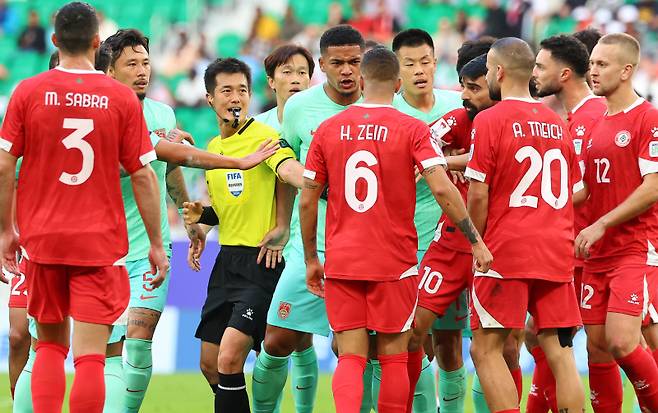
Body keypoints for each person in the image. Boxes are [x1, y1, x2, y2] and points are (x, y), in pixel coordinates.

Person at [300, 46, 492, 413]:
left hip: (343, 260)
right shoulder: (412, 129)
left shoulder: (328, 129)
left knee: (351, 359)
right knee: (393, 358)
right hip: (396, 263)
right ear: (398, 82)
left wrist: (312, 257)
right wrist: (475, 239)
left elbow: (308, 200)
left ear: (360, 80)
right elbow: (442, 188)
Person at [0, 3, 168, 412]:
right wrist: (157, 242)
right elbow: (144, 175)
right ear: (98, 44)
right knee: (95, 354)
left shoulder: (28, 91)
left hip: (45, 241)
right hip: (100, 244)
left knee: (48, 349)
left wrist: (6, 230)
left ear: (55, 41)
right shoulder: (121, 99)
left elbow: (5, 163)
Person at [101, 28, 278, 413]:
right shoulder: (103, 111)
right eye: (131, 64)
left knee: (139, 338)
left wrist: (192, 218)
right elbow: (166, 152)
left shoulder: (164, 113)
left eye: (146, 62)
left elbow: (170, 167)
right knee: (112, 352)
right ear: (110, 71)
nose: (143, 71)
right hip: (101, 250)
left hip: (153, 248)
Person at [250, 25, 365, 413]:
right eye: (338, 62)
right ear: (323, 65)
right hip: (311, 244)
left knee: (364, 348)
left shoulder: (386, 103)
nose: (347, 70)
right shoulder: (300, 108)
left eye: (355, 61)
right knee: (277, 339)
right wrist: (285, 222)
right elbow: (285, 164)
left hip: (371, 247)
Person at [466, 37, 585, 413]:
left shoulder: (489, 119)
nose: (487, 76)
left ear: (499, 72)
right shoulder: (556, 122)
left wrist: (477, 243)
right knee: (559, 350)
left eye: (486, 71)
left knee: (485, 347)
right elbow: (576, 190)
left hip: (507, 249)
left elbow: (479, 193)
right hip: (555, 248)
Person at [182, 57, 298, 413]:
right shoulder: (213, 149)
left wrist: (315, 185)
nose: (236, 97)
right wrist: (203, 219)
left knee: (230, 358)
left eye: (243, 90)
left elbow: (287, 171)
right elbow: (227, 209)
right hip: (226, 263)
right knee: (209, 362)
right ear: (209, 99)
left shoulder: (265, 138)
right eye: (227, 90)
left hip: (262, 261)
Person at [407, 49, 498, 413]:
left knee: (498, 347)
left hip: (496, 248)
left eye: (473, 88)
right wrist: (446, 161)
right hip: (450, 242)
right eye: (463, 86)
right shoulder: (460, 118)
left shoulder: (512, 122)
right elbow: (423, 146)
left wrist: (453, 160)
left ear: (496, 85)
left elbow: (489, 160)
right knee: (413, 332)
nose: (464, 95)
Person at [575, 32, 658, 412]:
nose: (593, 71)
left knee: (624, 341)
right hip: (597, 254)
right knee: (597, 347)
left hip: (634, 248)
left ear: (626, 71)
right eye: (592, 63)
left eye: (601, 64)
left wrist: (602, 224)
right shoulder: (597, 123)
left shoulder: (648, 118)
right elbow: (588, 188)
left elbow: (652, 187)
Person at [383, 27, 462, 413]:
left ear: (436, 62)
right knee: (410, 338)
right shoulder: (389, 114)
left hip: (454, 241)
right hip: (405, 244)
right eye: (409, 64)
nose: (419, 70)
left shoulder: (458, 106)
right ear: (397, 70)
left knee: (450, 344)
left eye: (425, 62)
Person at [530, 33, 606, 413]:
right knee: (548, 339)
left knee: (599, 344)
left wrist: (539, 205)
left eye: (540, 66)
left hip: (594, 253)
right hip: (570, 248)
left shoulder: (595, 116)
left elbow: (590, 187)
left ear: (563, 73)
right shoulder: (569, 119)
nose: (534, 72)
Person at [255, 44, 314, 131]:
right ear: (271, 81)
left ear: (309, 80)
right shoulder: (257, 126)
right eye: (287, 72)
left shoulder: (322, 123)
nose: (295, 80)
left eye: (302, 72)